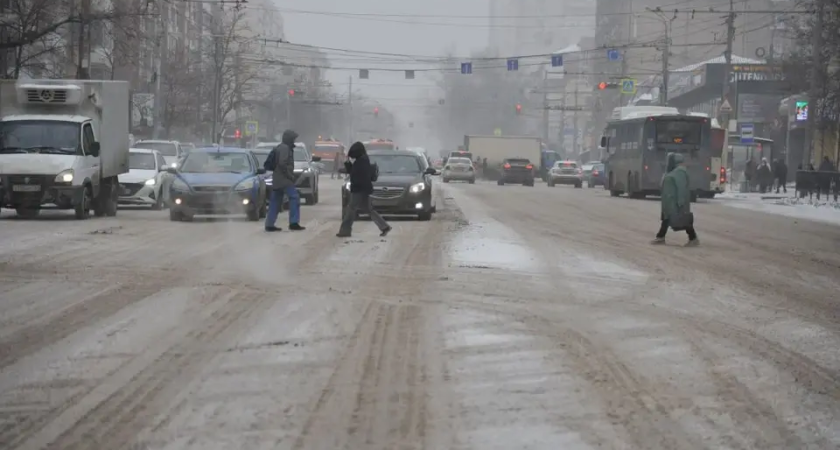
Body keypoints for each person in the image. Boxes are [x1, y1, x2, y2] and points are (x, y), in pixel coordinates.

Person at [336, 141, 391, 238]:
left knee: (351, 209)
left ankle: (345, 230)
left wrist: (347, 165)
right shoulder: (363, 160)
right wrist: (347, 162)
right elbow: (353, 171)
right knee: (369, 210)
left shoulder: (361, 162)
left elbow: (354, 173)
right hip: (364, 189)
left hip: (359, 190)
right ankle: (384, 227)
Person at [652, 152, 699, 246]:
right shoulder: (672, 172)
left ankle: (693, 238)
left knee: (682, 220)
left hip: (675, 202)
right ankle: (660, 236)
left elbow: (681, 188)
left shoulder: (679, 173)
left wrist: (680, 202)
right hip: (669, 202)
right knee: (668, 219)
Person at [265, 129, 305, 232]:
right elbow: (283, 163)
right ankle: (294, 222)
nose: (294, 141)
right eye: (293, 139)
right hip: (284, 180)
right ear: (289, 139)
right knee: (294, 197)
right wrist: (290, 176)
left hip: (277, 179)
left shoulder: (280, 147)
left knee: (275, 201)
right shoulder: (285, 148)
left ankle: (269, 224)